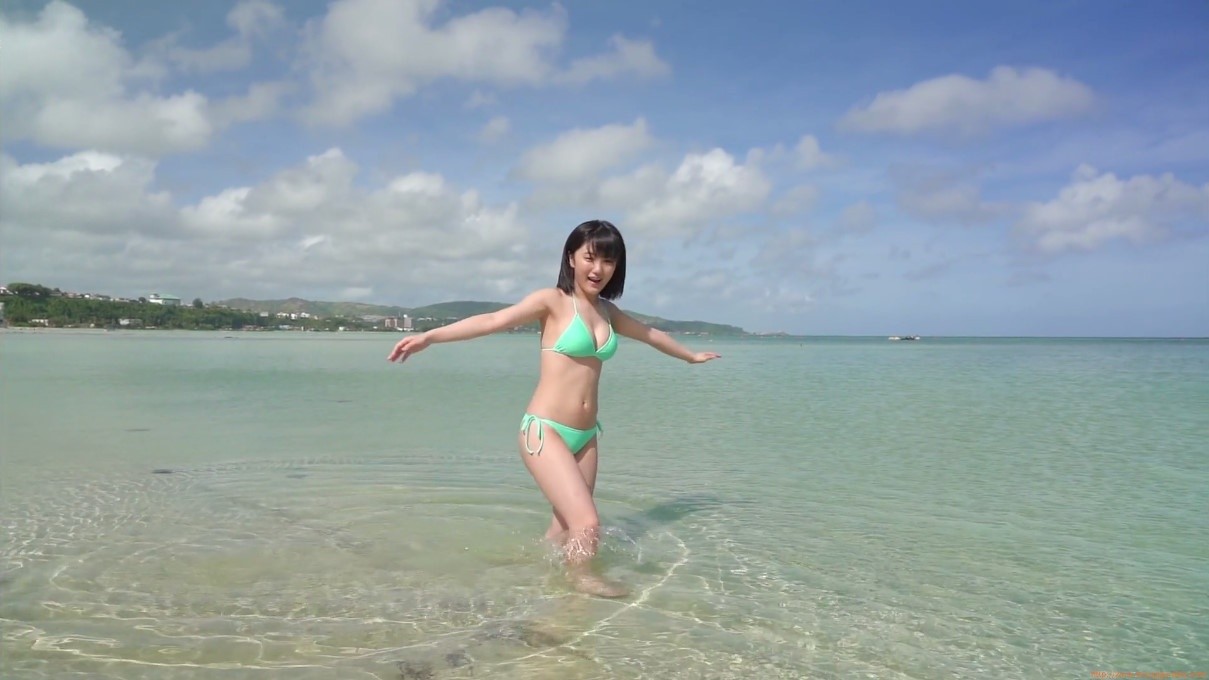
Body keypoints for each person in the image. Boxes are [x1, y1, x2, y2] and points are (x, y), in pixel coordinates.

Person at [387, 220, 720, 597]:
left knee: (563, 529)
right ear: (571, 258)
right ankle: (580, 582)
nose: (598, 269)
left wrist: (689, 356)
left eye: (608, 261)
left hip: (586, 436)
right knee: (588, 523)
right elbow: (493, 321)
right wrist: (430, 337)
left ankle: (544, 593)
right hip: (544, 431)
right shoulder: (553, 302)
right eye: (590, 258)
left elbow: (650, 334)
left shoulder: (608, 312)